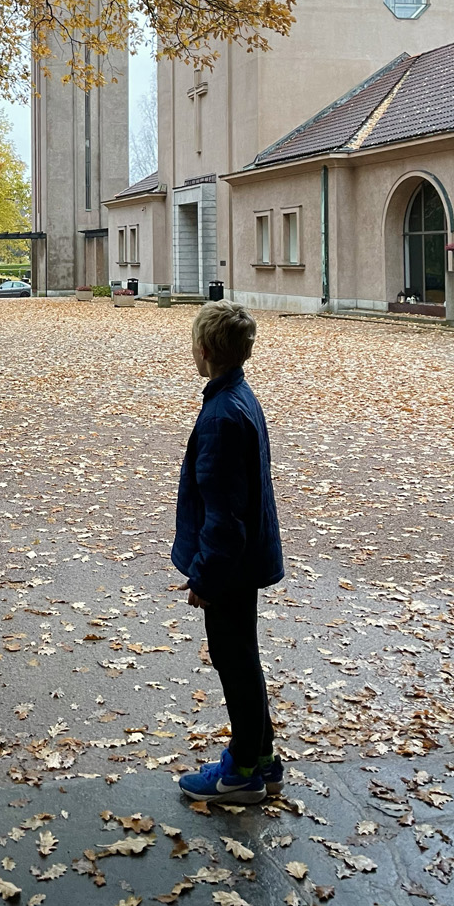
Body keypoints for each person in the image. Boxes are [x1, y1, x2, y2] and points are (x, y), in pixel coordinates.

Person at [172, 300, 285, 803]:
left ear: (202, 350)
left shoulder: (221, 415)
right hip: (246, 559)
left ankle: (241, 771)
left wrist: (204, 578)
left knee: (233, 659)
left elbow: (223, 513)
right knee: (243, 656)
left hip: (231, 568)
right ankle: (261, 754)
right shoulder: (240, 396)